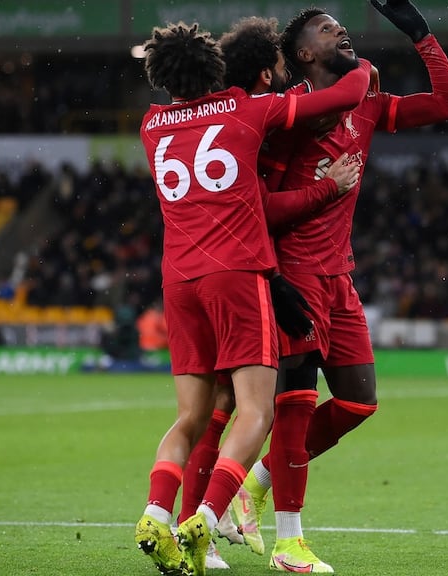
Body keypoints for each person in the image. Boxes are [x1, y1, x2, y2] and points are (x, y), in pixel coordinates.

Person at [231, 1, 448, 572]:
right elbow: (257, 211)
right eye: (325, 29)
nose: (340, 31)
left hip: (340, 277)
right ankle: (290, 542)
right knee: (294, 406)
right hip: (294, 278)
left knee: (360, 402)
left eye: (340, 25)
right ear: (304, 54)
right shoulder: (285, 122)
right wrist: (322, 191)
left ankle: (254, 483)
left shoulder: (363, 107)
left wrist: (419, 34)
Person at [132, 21, 370, 576]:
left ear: (162, 79)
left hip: (178, 281)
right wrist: (359, 65)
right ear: (217, 70)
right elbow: (346, 96)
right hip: (235, 275)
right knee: (257, 411)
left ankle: (154, 513)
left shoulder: (150, 125)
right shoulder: (243, 109)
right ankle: (207, 518)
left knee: (192, 416)